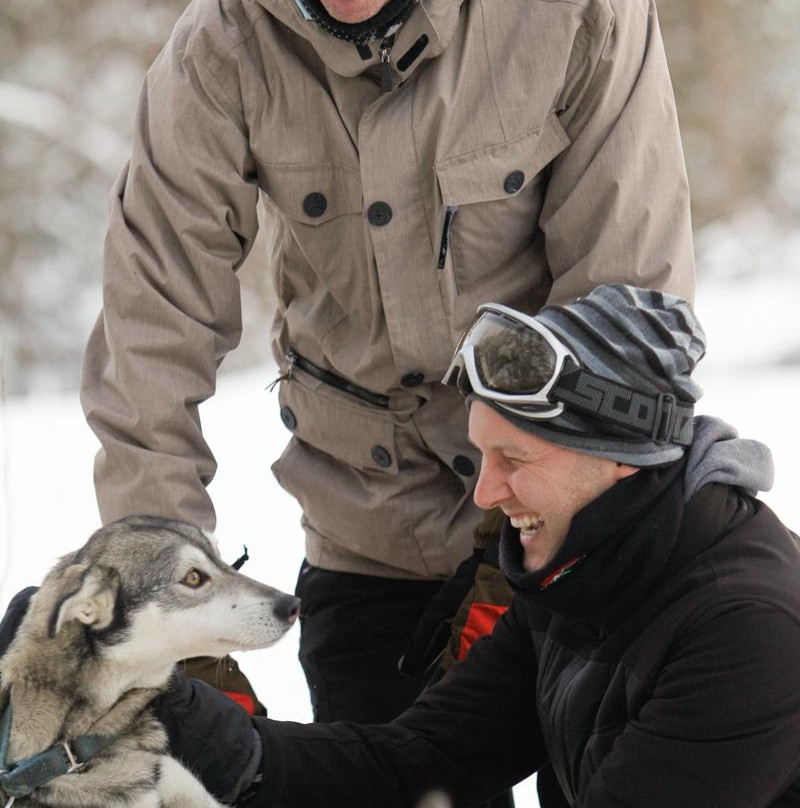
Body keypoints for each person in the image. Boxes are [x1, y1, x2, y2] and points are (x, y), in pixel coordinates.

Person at [79, 0, 695, 765]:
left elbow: (628, 309)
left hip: (572, 525)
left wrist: (524, 544)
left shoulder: (577, 13)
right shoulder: (219, 49)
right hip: (368, 527)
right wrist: (174, 634)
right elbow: (149, 347)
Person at [146, 283, 798, 807]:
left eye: (514, 458)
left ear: (620, 459)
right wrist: (203, 731)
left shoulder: (748, 631)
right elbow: (424, 760)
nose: (485, 493)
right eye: (482, 454)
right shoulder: (580, 569)